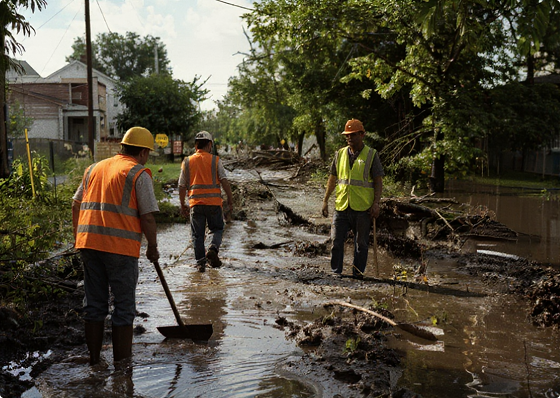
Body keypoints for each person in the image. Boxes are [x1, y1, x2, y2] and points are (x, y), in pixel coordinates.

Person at [72, 126, 159, 365]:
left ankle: (94, 361)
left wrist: (77, 237)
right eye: (148, 153)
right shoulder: (137, 173)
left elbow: (76, 205)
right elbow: (148, 217)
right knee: (123, 307)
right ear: (142, 152)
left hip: (88, 244)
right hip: (120, 249)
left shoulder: (93, 168)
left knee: (94, 304)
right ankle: (123, 367)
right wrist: (153, 247)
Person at [321, 119, 384, 279]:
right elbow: (333, 178)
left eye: (353, 135)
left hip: (363, 208)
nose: (349, 138)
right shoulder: (340, 154)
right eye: (347, 135)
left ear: (362, 135)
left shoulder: (371, 155)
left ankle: (358, 274)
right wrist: (325, 200)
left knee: (361, 244)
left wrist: (376, 203)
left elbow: (378, 181)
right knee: (336, 240)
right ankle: (336, 272)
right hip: (341, 206)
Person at [178, 131, 233, 272]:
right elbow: (224, 181)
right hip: (214, 204)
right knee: (217, 229)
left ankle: (200, 264)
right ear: (209, 145)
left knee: (197, 235)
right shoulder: (215, 160)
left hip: (195, 204)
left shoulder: (187, 161)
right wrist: (230, 200)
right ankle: (213, 248)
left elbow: (181, 185)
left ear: (196, 145)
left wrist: (182, 204)